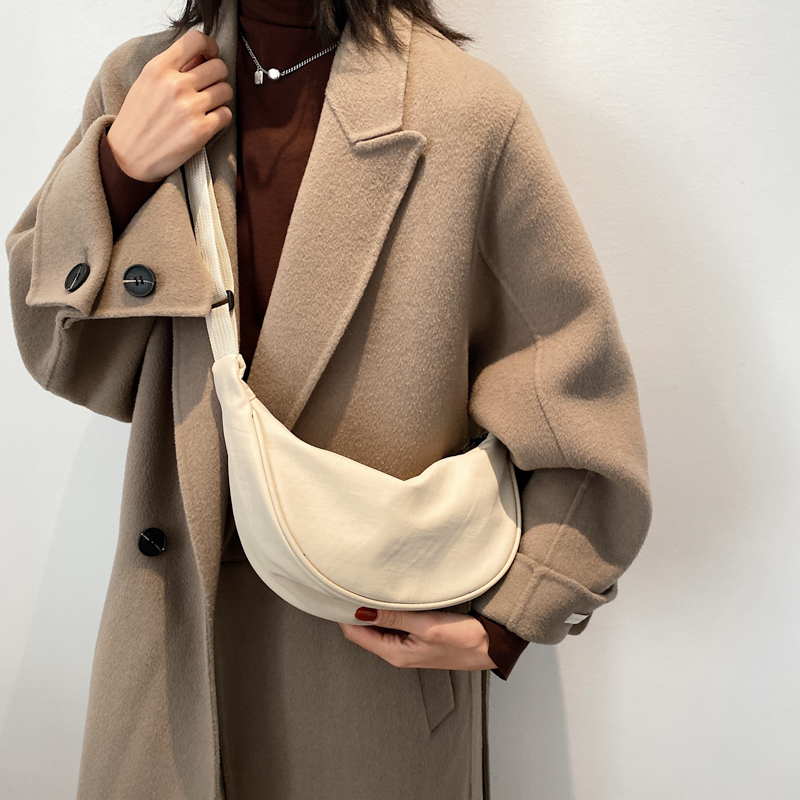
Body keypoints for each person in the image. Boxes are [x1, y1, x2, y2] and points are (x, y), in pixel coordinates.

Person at [6, 0, 653, 798]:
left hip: (366, 675)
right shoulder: (144, 82)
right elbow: (61, 355)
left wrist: (511, 619)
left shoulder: (464, 114)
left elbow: (584, 408)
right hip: (172, 658)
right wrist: (116, 173)